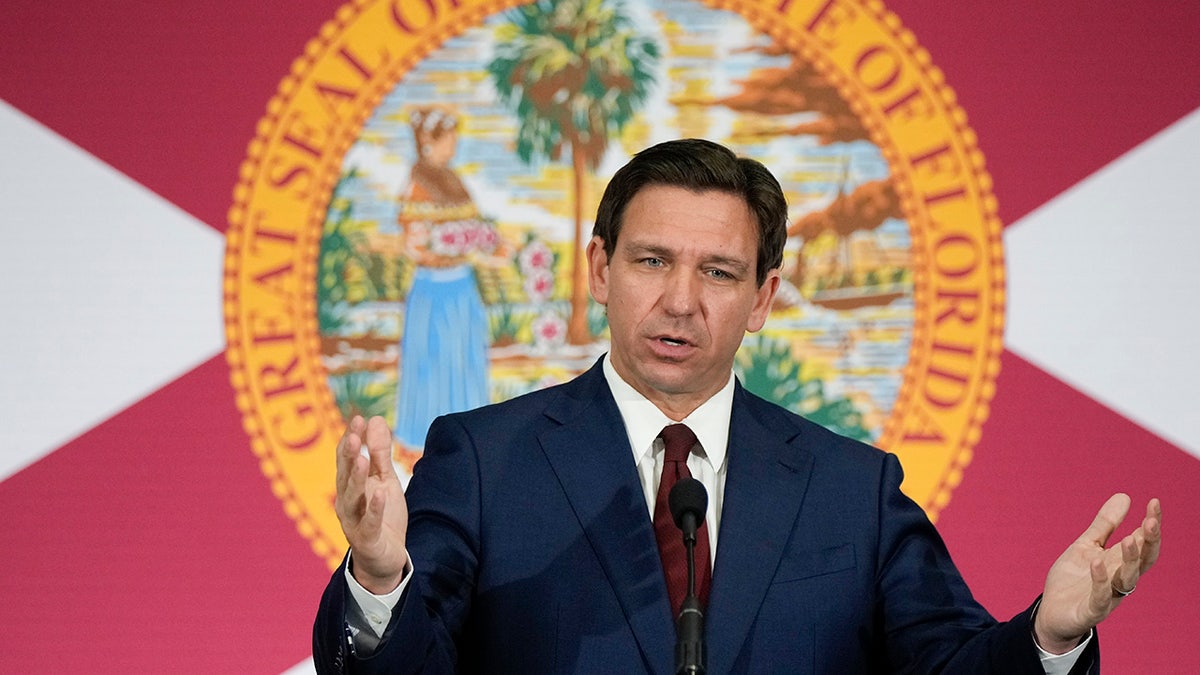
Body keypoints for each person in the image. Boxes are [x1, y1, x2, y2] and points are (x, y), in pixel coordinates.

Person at [314, 138, 1162, 673]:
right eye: (651, 261)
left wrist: (1050, 637)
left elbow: (953, 666)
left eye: (718, 273)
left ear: (762, 298)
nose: (681, 301)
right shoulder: (486, 460)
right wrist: (383, 577)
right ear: (598, 269)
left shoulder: (851, 488)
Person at [392, 105, 499, 455]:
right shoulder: (416, 184)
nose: (453, 146)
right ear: (428, 142)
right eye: (448, 139)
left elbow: (476, 228)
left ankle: (468, 447)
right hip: (433, 291)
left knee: (463, 364)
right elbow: (414, 243)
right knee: (432, 366)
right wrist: (443, 246)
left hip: (461, 289)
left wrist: (485, 244)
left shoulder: (454, 180)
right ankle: (421, 449)